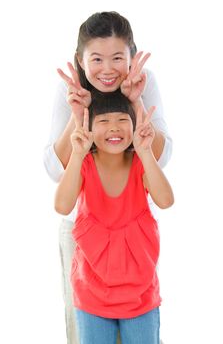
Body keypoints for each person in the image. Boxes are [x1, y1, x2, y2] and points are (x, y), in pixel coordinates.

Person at [44, 11, 172, 344]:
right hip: (88, 237)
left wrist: (136, 100)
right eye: (96, 59)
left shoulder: (145, 82)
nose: (107, 69)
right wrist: (78, 115)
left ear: (132, 57)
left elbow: (159, 157)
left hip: (134, 246)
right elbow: (55, 170)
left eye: (118, 58)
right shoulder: (70, 90)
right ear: (80, 60)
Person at [54, 89, 174, 344]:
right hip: (92, 294)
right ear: (89, 127)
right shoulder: (84, 165)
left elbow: (166, 200)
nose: (114, 128)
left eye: (122, 120)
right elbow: (62, 206)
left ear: (134, 125)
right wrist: (76, 154)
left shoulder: (140, 163)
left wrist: (146, 152)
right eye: (103, 121)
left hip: (139, 294)